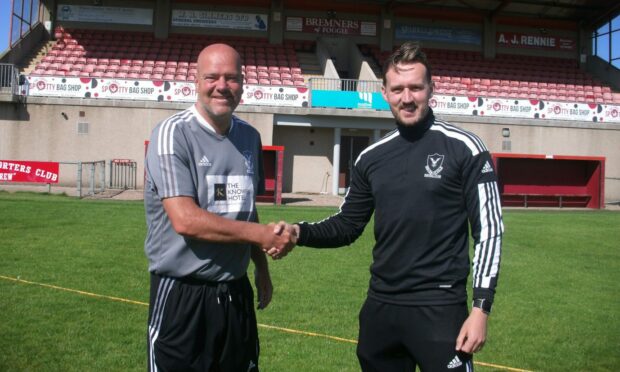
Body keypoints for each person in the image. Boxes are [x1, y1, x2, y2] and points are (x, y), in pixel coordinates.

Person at [275, 42, 504, 371]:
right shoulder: (371, 158)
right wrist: (299, 232)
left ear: (431, 90)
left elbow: (490, 232)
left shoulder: (465, 148)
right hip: (381, 307)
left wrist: (481, 309)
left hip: (439, 307)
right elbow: (347, 225)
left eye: (415, 88)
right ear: (384, 92)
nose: (407, 98)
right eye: (398, 89)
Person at [143, 43, 295, 372]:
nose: (221, 86)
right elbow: (185, 220)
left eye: (231, 78)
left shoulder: (250, 137)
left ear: (243, 83)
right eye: (212, 77)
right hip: (182, 294)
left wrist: (261, 266)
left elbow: (246, 210)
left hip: (235, 291)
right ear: (196, 82)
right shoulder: (172, 134)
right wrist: (262, 235)